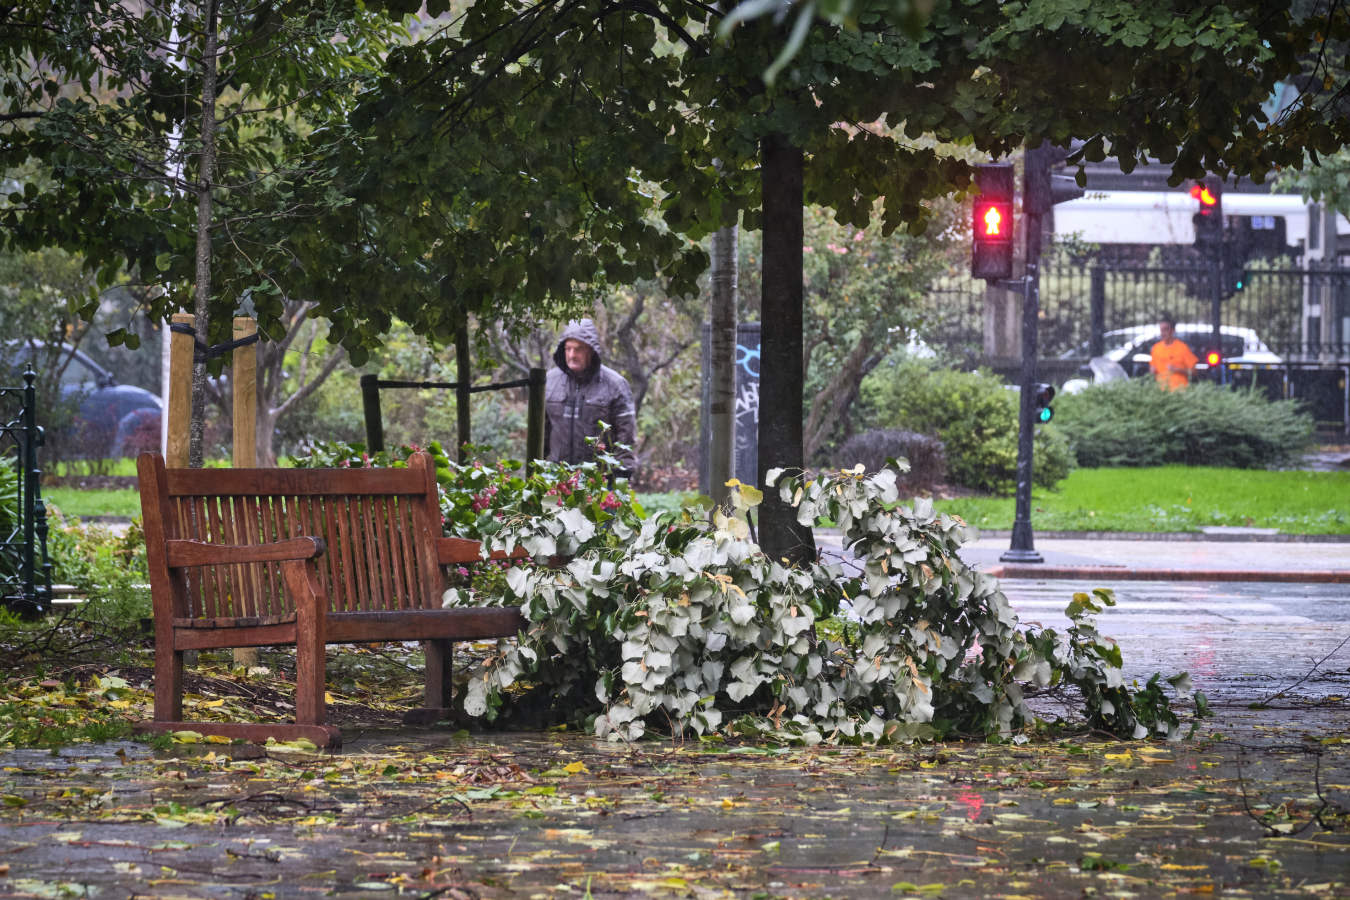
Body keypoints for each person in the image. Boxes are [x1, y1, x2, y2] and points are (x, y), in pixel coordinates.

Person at [544, 319, 637, 473]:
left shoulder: (615, 384)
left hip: (598, 480)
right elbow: (540, 434)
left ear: (591, 351)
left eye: (578, 349)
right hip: (555, 479)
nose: (572, 355)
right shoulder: (549, 382)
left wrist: (621, 477)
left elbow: (626, 437)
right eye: (568, 349)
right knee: (549, 498)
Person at [1149, 313, 1198, 391]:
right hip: (1161, 393)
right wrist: (1152, 371)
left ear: (1173, 331)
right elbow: (1152, 370)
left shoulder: (1183, 348)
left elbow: (1194, 372)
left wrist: (1178, 369)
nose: (1163, 333)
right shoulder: (1156, 348)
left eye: (1166, 330)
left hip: (1180, 393)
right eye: (1161, 330)